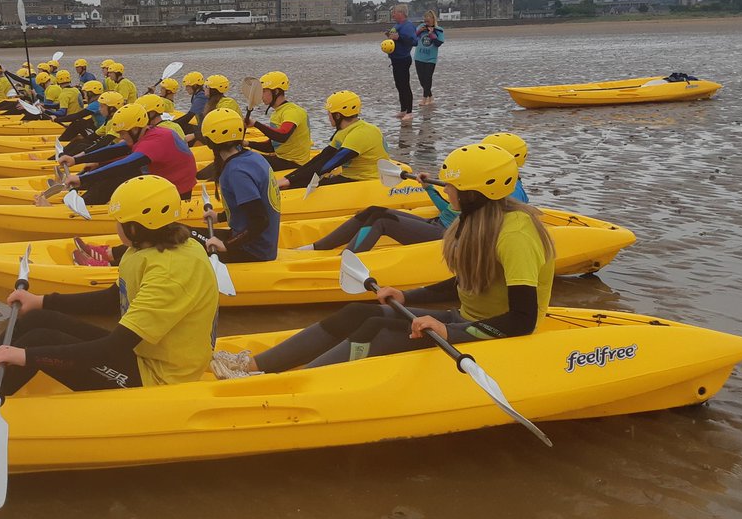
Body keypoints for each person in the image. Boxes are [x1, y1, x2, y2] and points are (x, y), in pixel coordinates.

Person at [212, 142, 556, 378]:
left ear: (476, 193)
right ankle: (254, 364)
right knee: (358, 312)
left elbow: (522, 319)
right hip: (466, 318)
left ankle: (297, 381)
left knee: (379, 328)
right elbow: (468, 282)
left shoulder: (516, 235)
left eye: (452, 186)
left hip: (497, 332)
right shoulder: (477, 219)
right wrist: (409, 296)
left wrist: (448, 331)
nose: (445, 190)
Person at [0, 175, 220, 401]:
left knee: (38, 344)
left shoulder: (171, 272)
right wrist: (41, 301)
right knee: (33, 322)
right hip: (145, 353)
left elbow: (115, 348)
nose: (114, 226)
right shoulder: (151, 246)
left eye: (118, 221)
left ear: (135, 226)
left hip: (157, 377)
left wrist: (27, 357)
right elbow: (117, 297)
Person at [301, 132, 532, 252]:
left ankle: (344, 262)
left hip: (449, 237)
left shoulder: (513, 194)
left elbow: (489, 228)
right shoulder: (485, 184)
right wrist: (430, 188)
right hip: (440, 225)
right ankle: (317, 247)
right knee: (373, 211)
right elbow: (451, 209)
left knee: (382, 220)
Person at [58, 102, 197, 205]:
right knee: (102, 167)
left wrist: (84, 179)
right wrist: (75, 160)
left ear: (135, 129)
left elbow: (124, 165)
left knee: (114, 178)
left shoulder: (156, 141)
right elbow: (115, 150)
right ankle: (81, 196)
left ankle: (83, 205)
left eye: (123, 133)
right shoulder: (147, 133)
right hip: (163, 182)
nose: (121, 137)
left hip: (176, 192)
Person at [199, 109, 281, 263]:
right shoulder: (252, 157)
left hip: (253, 251)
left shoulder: (236, 172)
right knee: (186, 234)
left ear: (209, 141)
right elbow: (246, 206)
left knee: (186, 243)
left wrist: (226, 245)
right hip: (250, 241)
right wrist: (219, 217)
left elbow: (260, 220)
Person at [278, 91, 390, 190]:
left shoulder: (361, 133)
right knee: (296, 183)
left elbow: (329, 164)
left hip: (364, 182)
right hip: (349, 177)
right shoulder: (345, 130)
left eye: (329, 113)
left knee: (298, 185)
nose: (328, 117)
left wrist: (292, 181)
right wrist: (289, 178)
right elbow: (322, 157)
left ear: (337, 115)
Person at [244, 70, 311, 171]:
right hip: (281, 160)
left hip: (294, 164)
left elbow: (282, 136)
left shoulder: (292, 111)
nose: (260, 95)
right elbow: (272, 146)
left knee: (243, 160)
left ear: (276, 91)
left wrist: (255, 124)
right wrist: (246, 143)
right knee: (242, 155)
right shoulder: (276, 113)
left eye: (264, 91)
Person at [385, 5, 417, 121]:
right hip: (395, 60)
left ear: (401, 13)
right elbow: (395, 39)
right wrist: (389, 37)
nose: (392, 15)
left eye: (394, 13)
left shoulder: (408, 26)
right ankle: (403, 109)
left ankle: (409, 111)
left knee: (405, 85)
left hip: (403, 59)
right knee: (399, 85)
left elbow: (414, 41)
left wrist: (399, 38)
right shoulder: (396, 26)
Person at [414, 10, 445, 105]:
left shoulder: (439, 30)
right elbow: (413, 38)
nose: (426, 23)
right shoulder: (420, 27)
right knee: (422, 80)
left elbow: (438, 43)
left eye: (428, 21)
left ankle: (424, 98)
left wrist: (432, 34)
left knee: (428, 78)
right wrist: (420, 31)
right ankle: (430, 96)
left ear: (433, 19)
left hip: (431, 58)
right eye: (425, 21)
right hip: (419, 57)